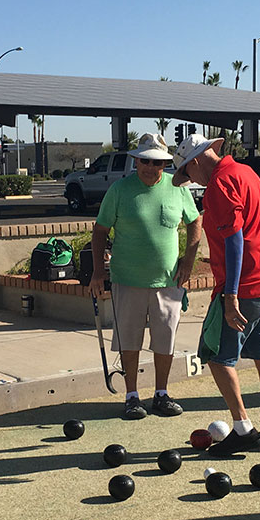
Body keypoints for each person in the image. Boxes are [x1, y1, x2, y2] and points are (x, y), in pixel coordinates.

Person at [173, 133, 260, 456]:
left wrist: (231, 294)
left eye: (187, 172)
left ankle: (243, 428)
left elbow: (234, 240)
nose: (190, 180)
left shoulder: (219, 187)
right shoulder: (247, 173)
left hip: (243, 287)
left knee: (215, 355)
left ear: (195, 161)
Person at [89, 133, 201, 419]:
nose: (151, 168)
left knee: (166, 340)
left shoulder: (178, 188)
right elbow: (100, 230)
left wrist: (188, 261)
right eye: (146, 161)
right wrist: (97, 273)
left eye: (158, 163)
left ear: (165, 164)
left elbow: (195, 221)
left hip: (168, 281)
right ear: (136, 162)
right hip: (127, 279)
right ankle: (131, 396)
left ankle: (161, 395)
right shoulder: (119, 190)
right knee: (129, 340)